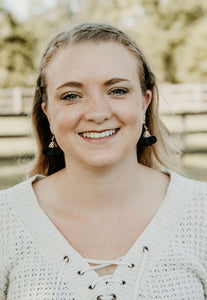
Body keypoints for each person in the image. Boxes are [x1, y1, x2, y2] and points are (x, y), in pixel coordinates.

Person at [0, 22, 207, 300]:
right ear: (48, 113)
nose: (97, 113)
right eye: (71, 96)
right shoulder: (6, 220)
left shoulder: (200, 213)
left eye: (117, 91)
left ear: (144, 103)